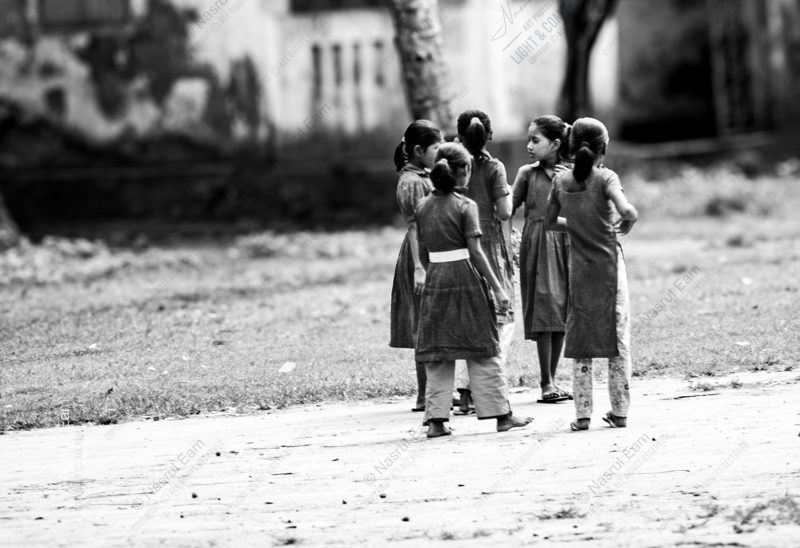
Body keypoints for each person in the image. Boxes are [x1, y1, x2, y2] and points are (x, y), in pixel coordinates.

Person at [415, 142, 533, 438]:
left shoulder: (422, 206)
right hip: (466, 279)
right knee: (484, 346)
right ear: (464, 171)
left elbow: (424, 254)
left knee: (439, 352)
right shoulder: (466, 206)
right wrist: (498, 288)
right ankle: (502, 415)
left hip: (436, 281)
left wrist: (435, 277)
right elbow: (477, 253)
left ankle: (436, 421)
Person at [545, 117, 638, 431]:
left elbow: (548, 222)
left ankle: (582, 416)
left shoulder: (560, 181)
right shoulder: (607, 178)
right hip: (610, 268)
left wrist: (576, 225)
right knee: (618, 337)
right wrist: (626, 222)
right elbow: (628, 211)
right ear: (604, 149)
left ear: (570, 147)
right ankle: (620, 412)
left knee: (581, 339)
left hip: (579, 269)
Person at [454, 110, 516, 410]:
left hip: (456, 245)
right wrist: (512, 193)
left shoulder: (449, 162)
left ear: (460, 135)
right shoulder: (494, 167)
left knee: (471, 319)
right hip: (488, 244)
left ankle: (464, 393)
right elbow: (505, 212)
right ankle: (482, 388)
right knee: (503, 319)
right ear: (489, 135)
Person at [512, 115, 571, 403]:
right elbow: (507, 208)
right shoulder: (527, 173)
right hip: (537, 243)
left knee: (562, 310)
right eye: (529, 139)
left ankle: (554, 378)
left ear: (556, 144)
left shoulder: (573, 172)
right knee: (544, 307)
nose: (529, 146)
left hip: (568, 242)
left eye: (535, 140)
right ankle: (546, 382)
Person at [390, 120, 443, 412]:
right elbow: (413, 227)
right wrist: (420, 268)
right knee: (425, 325)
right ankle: (425, 395)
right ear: (419, 150)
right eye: (437, 147)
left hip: (431, 250)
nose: (442, 151)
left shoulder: (424, 175)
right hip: (420, 255)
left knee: (432, 323)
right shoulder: (411, 182)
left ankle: (435, 391)